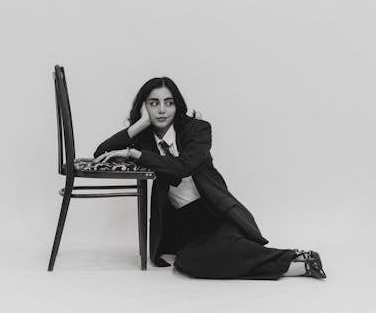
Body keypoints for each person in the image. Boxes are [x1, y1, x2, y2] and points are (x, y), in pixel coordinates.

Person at [92, 77, 326, 280]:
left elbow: (182, 167)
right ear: (144, 107)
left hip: (215, 214)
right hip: (183, 227)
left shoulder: (198, 130)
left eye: (169, 103)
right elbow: (100, 152)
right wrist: (140, 124)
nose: (162, 110)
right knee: (192, 262)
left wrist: (135, 154)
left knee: (220, 250)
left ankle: (297, 265)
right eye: (154, 104)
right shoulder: (144, 139)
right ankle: (299, 260)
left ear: (178, 106)